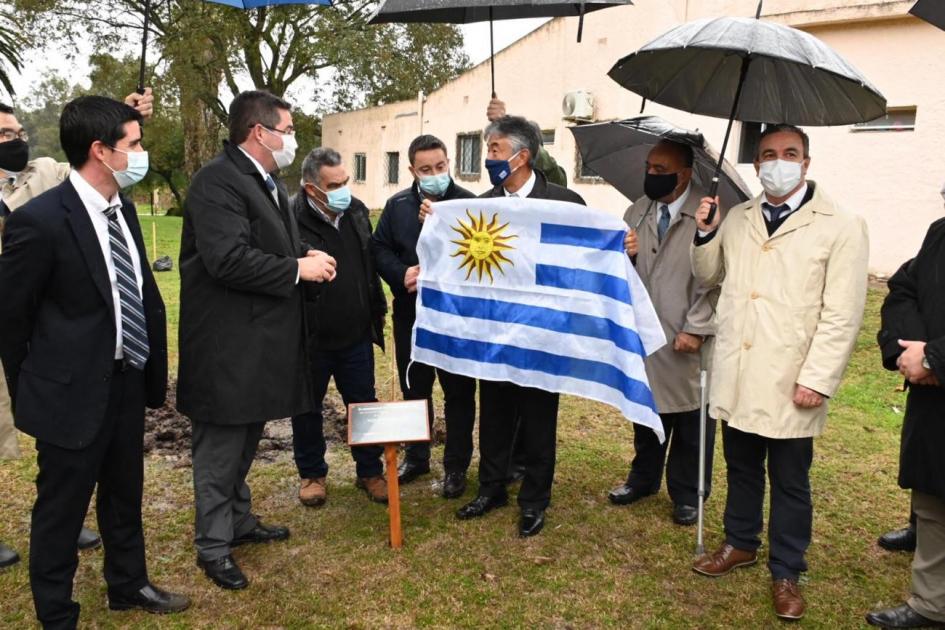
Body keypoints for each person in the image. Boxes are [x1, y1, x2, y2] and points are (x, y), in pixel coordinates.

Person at [0, 95, 189, 628]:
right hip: (67, 391)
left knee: (125, 493)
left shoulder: (123, 207)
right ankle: (56, 612)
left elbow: (137, 292)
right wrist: (35, 388)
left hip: (124, 379)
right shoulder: (39, 220)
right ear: (100, 151)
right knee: (61, 509)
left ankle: (128, 585)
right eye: (134, 144)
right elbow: (12, 320)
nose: (141, 152)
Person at [690, 124, 869, 620]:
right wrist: (705, 231)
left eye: (790, 153)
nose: (777, 162)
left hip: (792, 375)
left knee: (790, 479)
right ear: (755, 163)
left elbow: (843, 312)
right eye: (768, 154)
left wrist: (818, 376)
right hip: (741, 368)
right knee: (741, 464)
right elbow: (708, 275)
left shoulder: (842, 224)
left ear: (806, 163)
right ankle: (740, 541)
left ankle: (787, 568)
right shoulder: (740, 216)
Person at [177, 90, 336, 590]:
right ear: (258, 132)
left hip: (258, 341)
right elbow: (226, 258)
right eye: (286, 130)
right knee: (221, 448)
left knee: (245, 438)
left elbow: (266, 244)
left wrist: (304, 252)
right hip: (227, 344)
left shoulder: (265, 178)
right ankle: (213, 545)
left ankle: (239, 522)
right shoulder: (216, 182)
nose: (291, 139)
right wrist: (296, 268)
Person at [445, 115, 585, 537]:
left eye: (494, 150)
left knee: (540, 419)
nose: (488, 158)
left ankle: (535, 499)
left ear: (522, 156)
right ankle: (491, 487)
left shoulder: (564, 202)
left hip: (542, 333)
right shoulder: (482, 206)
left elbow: (582, 262)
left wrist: (622, 246)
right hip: (495, 333)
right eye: (487, 150)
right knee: (494, 414)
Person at [608, 140, 718, 526]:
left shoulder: (709, 213)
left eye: (661, 169)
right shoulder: (636, 210)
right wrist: (626, 253)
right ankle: (643, 478)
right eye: (649, 167)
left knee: (690, 418)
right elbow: (622, 271)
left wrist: (697, 328)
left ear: (684, 174)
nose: (651, 175)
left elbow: (718, 280)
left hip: (686, 333)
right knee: (647, 410)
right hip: (646, 332)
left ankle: (688, 493)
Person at [372, 134, 478, 498]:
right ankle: (417, 457)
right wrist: (400, 274)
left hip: (456, 318)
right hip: (411, 314)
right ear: (412, 170)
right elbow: (379, 248)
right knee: (415, 388)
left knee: (459, 392)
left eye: (440, 167)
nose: (434, 174)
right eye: (425, 170)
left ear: (450, 162)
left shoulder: (469, 203)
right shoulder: (398, 204)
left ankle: (456, 466)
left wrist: (442, 224)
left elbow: (482, 255)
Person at [290, 147, 388, 506]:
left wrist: (375, 310)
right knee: (306, 408)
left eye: (346, 181)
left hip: (356, 334)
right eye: (335, 184)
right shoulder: (289, 216)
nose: (344, 189)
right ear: (311, 189)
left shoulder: (357, 211)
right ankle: (312, 474)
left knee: (362, 403)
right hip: (309, 336)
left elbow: (370, 263)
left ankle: (370, 471)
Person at [867, 184, 945, 629]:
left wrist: (936, 357)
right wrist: (908, 352)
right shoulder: (940, 232)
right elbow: (903, 289)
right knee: (933, 498)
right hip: (934, 400)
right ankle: (932, 606)